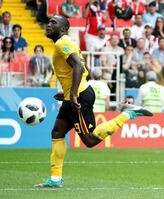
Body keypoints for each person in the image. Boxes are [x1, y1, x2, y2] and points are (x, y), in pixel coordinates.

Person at [35, 16, 153, 188]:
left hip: (79, 96)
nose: (48, 24)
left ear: (62, 28)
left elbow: (78, 66)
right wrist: (68, 92)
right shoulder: (65, 43)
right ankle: (55, 179)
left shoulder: (62, 43)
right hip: (74, 95)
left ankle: (128, 113)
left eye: (53, 22)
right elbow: (85, 70)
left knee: (90, 140)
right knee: (57, 132)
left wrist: (74, 93)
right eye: (49, 21)